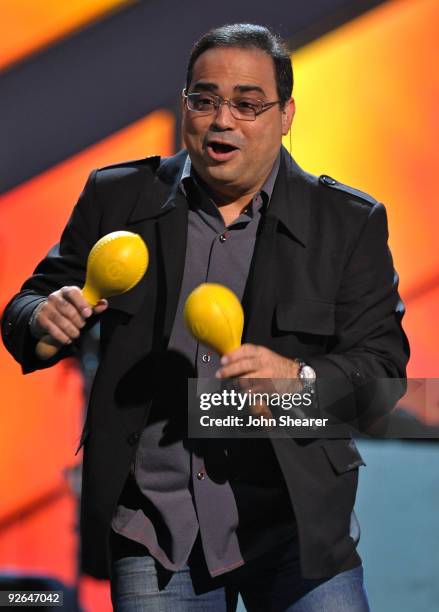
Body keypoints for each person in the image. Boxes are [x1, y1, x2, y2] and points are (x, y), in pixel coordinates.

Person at [2, 23, 409, 611]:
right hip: (156, 530)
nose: (223, 121)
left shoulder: (347, 222)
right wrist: (44, 319)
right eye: (205, 99)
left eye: (247, 104)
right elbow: (26, 307)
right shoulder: (119, 196)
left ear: (286, 114)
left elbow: (383, 372)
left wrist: (302, 383)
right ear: (185, 103)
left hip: (298, 527)